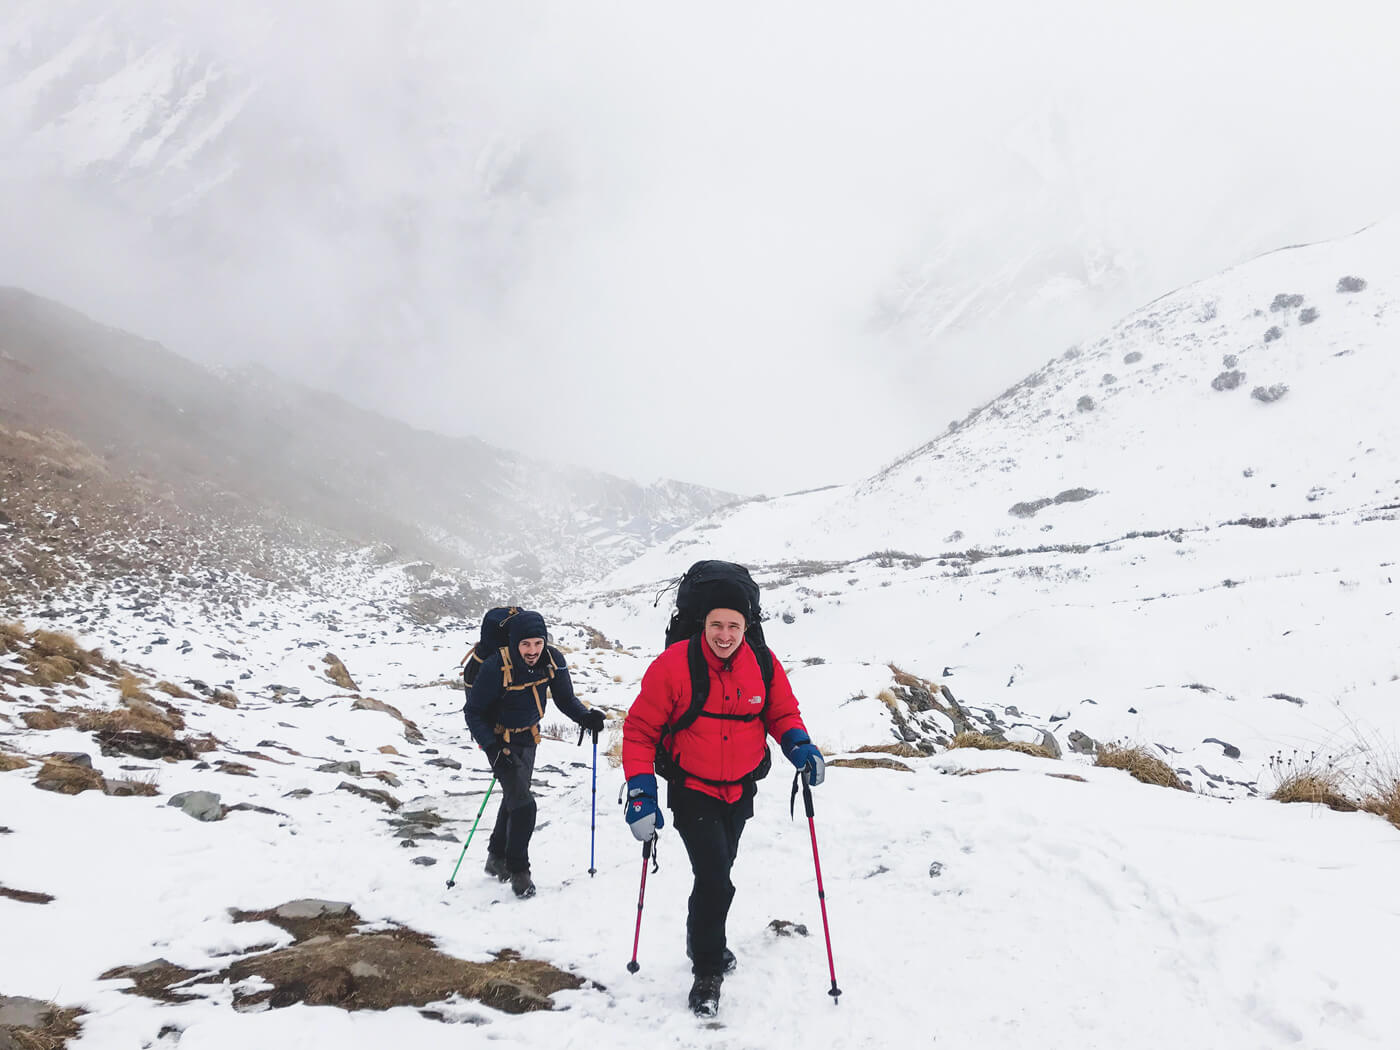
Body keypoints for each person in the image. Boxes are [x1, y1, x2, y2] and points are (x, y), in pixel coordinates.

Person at [621, 576, 825, 1017]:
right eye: (717, 624)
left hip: (741, 788)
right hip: (691, 789)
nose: (725, 635)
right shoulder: (674, 666)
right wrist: (641, 790)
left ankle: (700, 939)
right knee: (715, 877)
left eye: (734, 625)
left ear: (746, 625)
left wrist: (799, 745)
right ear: (703, 624)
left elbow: (782, 713)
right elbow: (640, 731)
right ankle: (707, 971)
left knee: (718, 871)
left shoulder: (763, 663)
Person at [464, 609, 606, 898]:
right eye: (526, 644)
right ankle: (519, 871)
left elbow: (565, 699)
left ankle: (495, 857)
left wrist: (585, 717)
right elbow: (474, 711)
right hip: (498, 740)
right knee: (525, 805)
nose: (532, 651)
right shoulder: (495, 666)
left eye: (538, 643)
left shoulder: (552, 660)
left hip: (529, 737)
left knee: (514, 798)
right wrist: (492, 749)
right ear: (515, 643)